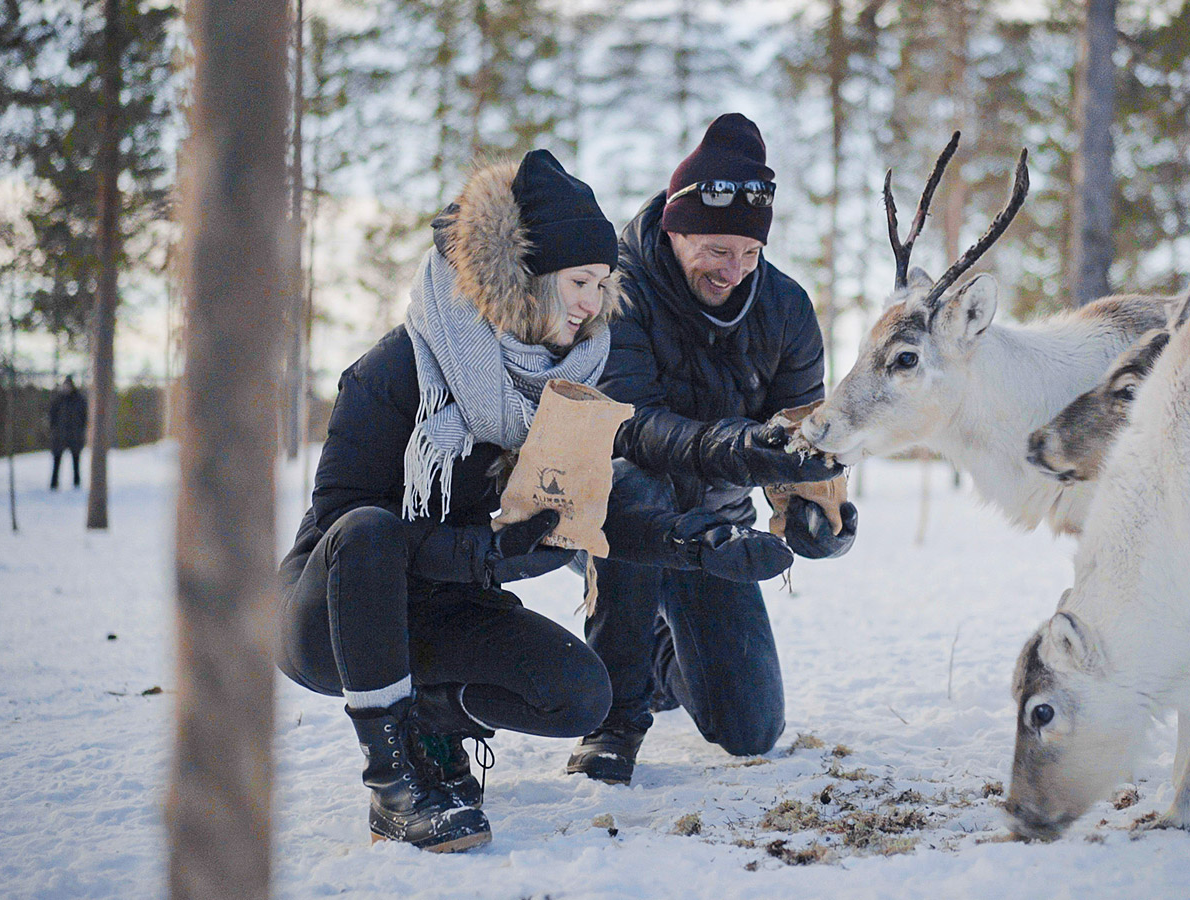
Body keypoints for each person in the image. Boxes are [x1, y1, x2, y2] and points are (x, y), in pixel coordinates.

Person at [276, 150, 624, 853]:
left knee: (581, 694)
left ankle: (428, 715)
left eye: (605, 284)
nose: (593, 303)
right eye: (581, 281)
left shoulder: (557, 387)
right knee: (370, 527)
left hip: (441, 604)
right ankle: (393, 784)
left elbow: (586, 506)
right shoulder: (396, 370)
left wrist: (691, 541)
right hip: (332, 617)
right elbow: (343, 528)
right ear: (528, 279)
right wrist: (482, 551)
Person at [566, 113, 861, 785]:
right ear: (675, 230)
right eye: (718, 251)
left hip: (717, 535)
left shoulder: (785, 309)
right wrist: (747, 448)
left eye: (750, 253)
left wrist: (818, 515)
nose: (734, 270)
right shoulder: (615, 291)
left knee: (749, 730)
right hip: (619, 520)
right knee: (630, 483)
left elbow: (801, 433)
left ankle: (661, 645)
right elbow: (627, 425)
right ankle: (614, 718)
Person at [48, 376, 86, 490]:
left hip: (75, 436)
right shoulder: (58, 400)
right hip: (59, 436)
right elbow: (52, 416)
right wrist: (54, 429)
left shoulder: (79, 400)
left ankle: (76, 483)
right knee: (57, 461)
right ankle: (54, 484)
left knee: (76, 462)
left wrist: (80, 429)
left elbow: (84, 416)